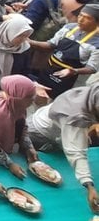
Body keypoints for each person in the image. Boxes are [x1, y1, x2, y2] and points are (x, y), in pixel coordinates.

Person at [27, 84, 99, 212]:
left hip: (53, 125)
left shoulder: (92, 94)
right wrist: (89, 186)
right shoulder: (75, 117)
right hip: (40, 134)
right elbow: (76, 154)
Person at [30, 4, 99, 98]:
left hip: (65, 79)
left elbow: (91, 68)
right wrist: (28, 42)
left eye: (87, 18)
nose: (81, 19)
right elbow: (50, 45)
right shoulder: (69, 27)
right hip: (48, 69)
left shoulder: (96, 44)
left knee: (51, 101)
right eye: (80, 15)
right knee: (36, 93)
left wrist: (74, 71)